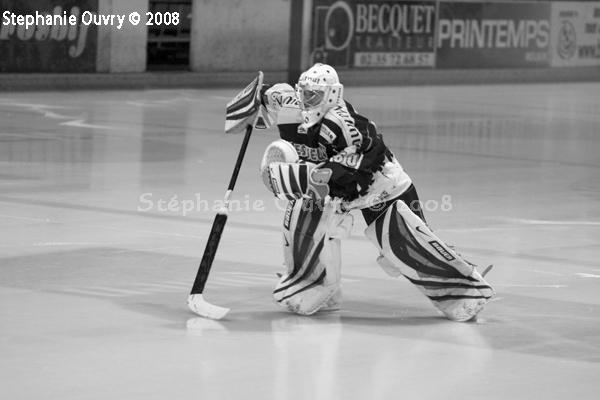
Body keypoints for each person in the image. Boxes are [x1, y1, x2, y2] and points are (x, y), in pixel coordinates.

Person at [257, 63, 494, 321]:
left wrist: (304, 177)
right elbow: (266, 94)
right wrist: (256, 98)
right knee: (304, 219)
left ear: (332, 95)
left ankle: (464, 290)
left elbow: (352, 175)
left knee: (402, 243)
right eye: (304, 93)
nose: (306, 100)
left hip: (379, 185)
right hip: (337, 183)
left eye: (313, 95)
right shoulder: (291, 102)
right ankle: (314, 284)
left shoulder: (344, 127)